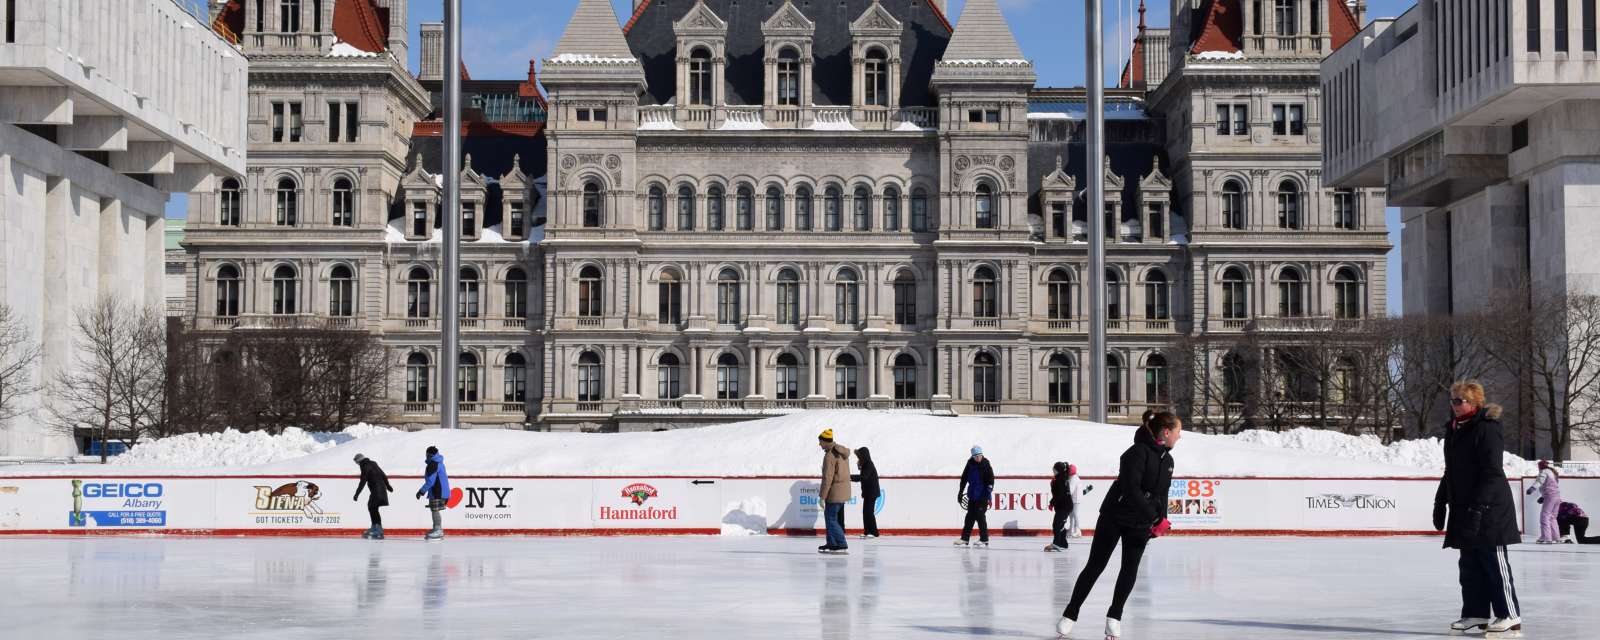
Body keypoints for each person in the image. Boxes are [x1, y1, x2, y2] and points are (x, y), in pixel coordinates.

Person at [1055, 412, 1180, 640]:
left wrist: (1160, 520)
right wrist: (1154, 518)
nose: (1179, 438)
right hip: (1114, 516)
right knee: (1095, 566)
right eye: (1178, 432)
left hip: (1141, 522)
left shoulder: (1168, 461)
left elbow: (1162, 493)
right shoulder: (1136, 453)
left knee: (1129, 570)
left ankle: (1114, 618)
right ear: (1166, 432)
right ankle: (1070, 613)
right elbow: (1131, 490)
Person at [1433, 382, 1522, 636]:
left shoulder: (1487, 428)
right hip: (1464, 507)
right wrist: (1440, 501)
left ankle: (1509, 615)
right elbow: (1451, 471)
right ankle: (1476, 613)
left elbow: (1492, 472)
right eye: (1452, 400)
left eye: (1459, 400)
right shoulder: (1454, 430)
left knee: (1494, 562)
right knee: (1469, 565)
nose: (1454, 404)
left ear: (1474, 402)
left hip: (1489, 507)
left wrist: (1480, 506)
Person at [817, 429, 851, 554]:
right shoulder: (841, 453)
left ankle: (841, 543)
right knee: (830, 518)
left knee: (831, 519)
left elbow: (828, 478)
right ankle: (832, 543)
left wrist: (822, 496)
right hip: (842, 491)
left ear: (825, 441)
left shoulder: (830, 456)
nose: (819, 444)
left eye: (820, 441)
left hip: (835, 492)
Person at [956, 446, 995, 547]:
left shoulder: (985, 463)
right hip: (973, 495)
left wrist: (988, 491)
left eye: (980, 455)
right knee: (969, 517)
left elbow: (991, 479)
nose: (978, 458)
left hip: (983, 495)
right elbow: (964, 478)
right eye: (976, 456)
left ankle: (984, 539)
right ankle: (965, 538)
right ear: (972, 456)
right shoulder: (970, 464)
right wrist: (960, 492)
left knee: (980, 516)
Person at [352, 454, 393, 539]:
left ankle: (377, 528)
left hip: (376, 490)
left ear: (359, 461)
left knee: (372, 507)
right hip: (381, 489)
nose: (358, 465)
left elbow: (362, 481)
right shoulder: (373, 463)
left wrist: (357, 494)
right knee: (373, 507)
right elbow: (383, 474)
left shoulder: (365, 466)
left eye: (357, 463)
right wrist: (388, 485)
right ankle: (376, 527)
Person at [416, 446, 450, 541]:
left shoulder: (433, 464)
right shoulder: (439, 462)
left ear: (429, 455)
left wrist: (421, 491)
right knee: (434, 510)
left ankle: (438, 530)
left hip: (438, 492)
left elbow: (430, 481)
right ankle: (436, 528)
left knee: (435, 510)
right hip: (440, 491)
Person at [1526, 460, 1562, 543]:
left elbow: (1539, 481)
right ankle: (1556, 537)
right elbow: (1551, 486)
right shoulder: (1552, 473)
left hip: (1550, 496)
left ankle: (1546, 538)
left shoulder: (1544, 472)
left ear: (1540, 466)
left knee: (1544, 516)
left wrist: (1532, 488)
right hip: (1557, 496)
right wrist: (1543, 497)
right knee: (1552, 517)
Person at [851, 447, 882, 539]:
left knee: (869, 512)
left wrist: (849, 477)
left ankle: (873, 532)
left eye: (859, 456)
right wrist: (860, 466)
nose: (858, 458)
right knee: (866, 512)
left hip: (872, 492)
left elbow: (863, 477)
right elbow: (864, 477)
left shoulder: (869, 464)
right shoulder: (866, 464)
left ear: (863, 456)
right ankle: (868, 531)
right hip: (869, 492)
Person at [1045, 461, 1072, 552]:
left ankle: (1056, 543)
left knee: (1056, 524)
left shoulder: (1060, 480)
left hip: (1064, 506)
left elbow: (1058, 494)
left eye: (1054, 468)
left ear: (1058, 470)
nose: (1053, 470)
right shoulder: (1062, 478)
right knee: (1060, 525)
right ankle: (1063, 544)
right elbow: (1059, 493)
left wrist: (1052, 503)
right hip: (1066, 506)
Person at [1067, 463, 1090, 538]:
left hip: (1075, 500)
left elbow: (1071, 490)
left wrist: (1065, 494)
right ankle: (1071, 530)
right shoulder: (1075, 478)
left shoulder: (1073, 479)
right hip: (1075, 499)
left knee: (1074, 515)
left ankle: (1077, 531)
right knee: (1072, 515)